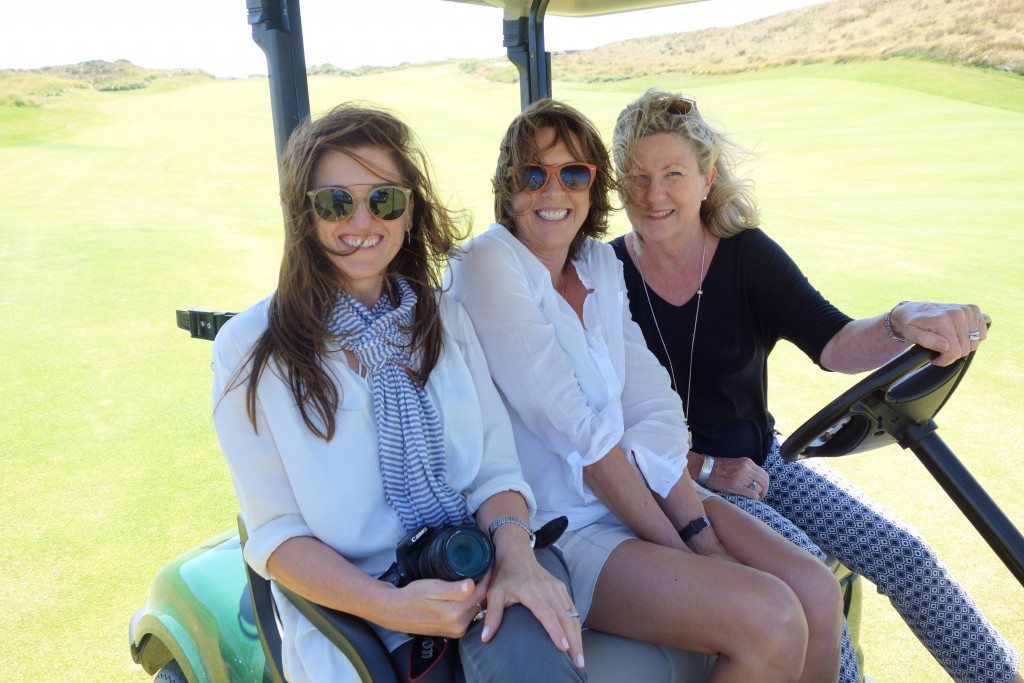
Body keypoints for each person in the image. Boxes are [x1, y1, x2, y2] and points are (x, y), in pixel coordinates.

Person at [609, 88, 1022, 683]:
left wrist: (902, 319)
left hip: (766, 461)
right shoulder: (605, 275)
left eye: (672, 173)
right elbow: (599, 420)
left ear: (707, 177)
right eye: (637, 177)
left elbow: (833, 343)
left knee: (904, 554)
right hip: (677, 486)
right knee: (808, 579)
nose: (653, 194)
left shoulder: (746, 256)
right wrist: (703, 468)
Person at [448, 98, 845, 683]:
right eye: (533, 174)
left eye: (573, 174)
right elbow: (576, 431)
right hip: (566, 527)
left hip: (644, 498)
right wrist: (684, 550)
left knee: (814, 589)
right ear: (508, 187)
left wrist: (695, 527)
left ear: (594, 187)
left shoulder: (597, 266)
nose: (553, 190)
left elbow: (652, 405)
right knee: (773, 616)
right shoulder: (488, 263)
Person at [211, 103, 587, 683]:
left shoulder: (443, 317)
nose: (363, 221)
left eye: (383, 199)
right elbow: (276, 534)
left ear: (408, 213)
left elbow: (495, 469)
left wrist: (516, 560)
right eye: (336, 202)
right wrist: (394, 607)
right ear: (305, 217)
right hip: (357, 613)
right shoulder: (249, 350)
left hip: (478, 565)